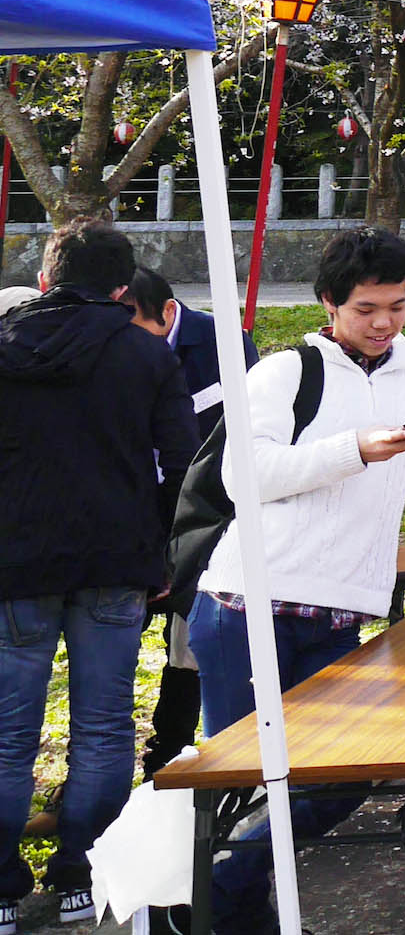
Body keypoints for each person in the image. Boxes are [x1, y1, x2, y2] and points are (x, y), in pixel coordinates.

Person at [194, 229, 405, 935]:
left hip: (341, 612)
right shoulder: (285, 372)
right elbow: (244, 476)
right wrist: (353, 450)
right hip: (245, 606)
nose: (384, 323)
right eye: (366, 309)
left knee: (349, 773)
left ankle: (216, 890)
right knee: (242, 780)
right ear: (329, 303)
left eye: (398, 307)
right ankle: (229, 908)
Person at [0, 222, 196, 928]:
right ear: (122, 289)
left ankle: (0, 892)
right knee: (105, 727)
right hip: (117, 559)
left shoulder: (4, 343)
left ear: (44, 279)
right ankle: (82, 875)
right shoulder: (146, 355)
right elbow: (185, 464)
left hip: (15, 561)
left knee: (7, 734)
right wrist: (167, 551)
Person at [123, 269, 257, 778]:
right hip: (131, 517)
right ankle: (107, 768)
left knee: (188, 645)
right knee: (117, 645)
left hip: (204, 517)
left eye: (135, 328)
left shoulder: (224, 346)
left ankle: (170, 753)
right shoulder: (110, 348)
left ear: (167, 312)